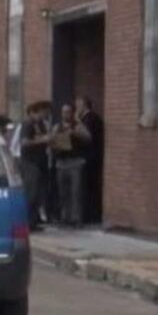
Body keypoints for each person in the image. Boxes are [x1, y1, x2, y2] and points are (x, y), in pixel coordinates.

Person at [51, 104, 92, 227]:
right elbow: (51, 140)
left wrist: (74, 133)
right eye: (63, 112)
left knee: (76, 192)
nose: (65, 114)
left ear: (72, 113)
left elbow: (88, 137)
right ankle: (65, 217)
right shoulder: (57, 127)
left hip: (75, 162)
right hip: (61, 163)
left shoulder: (78, 125)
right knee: (63, 193)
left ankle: (77, 218)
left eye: (68, 112)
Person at [20, 102, 51, 230]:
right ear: (38, 111)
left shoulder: (41, 125)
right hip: (30, 162)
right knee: (30, 193)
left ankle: (34, 222)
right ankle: (26, 222)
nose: (47, 115)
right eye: (45, 112)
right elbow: (24, 142)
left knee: (38, 194)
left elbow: (44, 139)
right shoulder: (28, 123)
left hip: (40, 162)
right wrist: (42, 140)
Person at [76, 96, 104, 224]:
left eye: (78, 104)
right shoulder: (88, 118)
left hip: (90, 158)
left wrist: (77, 122)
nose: (77, 107)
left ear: (84, 105)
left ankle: (92, 215)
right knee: (88, 187)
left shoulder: (90, 118)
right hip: (90, 157)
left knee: (90, 187)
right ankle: (90, 214)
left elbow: (88, 137)